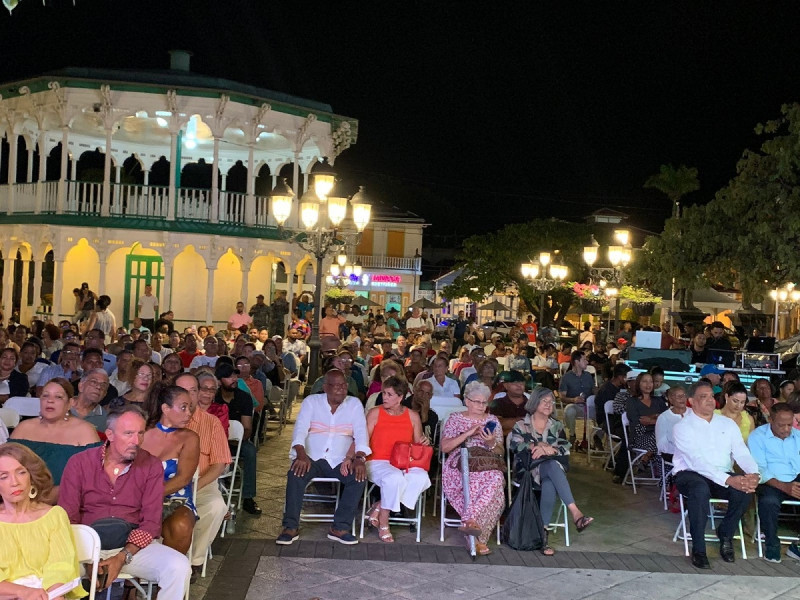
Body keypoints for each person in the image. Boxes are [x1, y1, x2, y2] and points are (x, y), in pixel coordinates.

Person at [58, 404, 191, 599]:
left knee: (178, 567)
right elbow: (67, 517)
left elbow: (151, 522)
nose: (136, 441)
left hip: (130, 547)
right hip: (83, 544)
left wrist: (122, 557)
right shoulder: (79, 462)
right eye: (128, 433)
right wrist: (88, 558)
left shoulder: (151, 465)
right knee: (47, 570)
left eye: (141, 433)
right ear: (110, 435)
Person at [672, 380, 760, 568]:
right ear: (691, 401)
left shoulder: (727, 424)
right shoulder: (683, 426)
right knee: (700, 489)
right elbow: (696, 462)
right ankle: (699, 549)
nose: (710, 400)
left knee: (745, 490)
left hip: (721, 473)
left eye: (711, 396)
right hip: (690, 473)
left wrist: (753, 473)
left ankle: (726, 533)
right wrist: (729, 479)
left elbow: (741, 451)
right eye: (703, 397)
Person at [277, 369, 368, 545]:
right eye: (336, 386)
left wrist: (358, 458)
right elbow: (300, 430)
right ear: (326, 387)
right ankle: (290, 526)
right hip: (312, 456)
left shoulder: (354, 404)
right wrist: (301, 455)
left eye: (343, 385)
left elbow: (361, 434)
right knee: (295, 474)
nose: (341, 389)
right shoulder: (312, 402)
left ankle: (339, 527)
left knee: (358, 478)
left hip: (340, 460)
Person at [510, 386, 593, 556]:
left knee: (550, 474)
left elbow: (565, 448)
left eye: (551, 401)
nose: (549, 405)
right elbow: (516, 446)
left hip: (551, 471)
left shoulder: (556, 425)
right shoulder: (521, 425)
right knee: (552, 471)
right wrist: (537, 446)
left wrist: (550, 450)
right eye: (544, 401)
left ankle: (543, 536)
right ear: (534, 403)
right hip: (528, 471)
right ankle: (576, 513)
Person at [0, 443, 88, 599]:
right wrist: (24, 592)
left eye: (21, 472)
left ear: (32, 476)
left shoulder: (54, 516)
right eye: (4, 476)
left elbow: (61, 564)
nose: (14, 482)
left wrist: (54, 594)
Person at [174, 373, 230, 580]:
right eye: (182, 391)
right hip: (166, 483)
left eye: (193, 391)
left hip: (202, 482)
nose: (187, 396)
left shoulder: (211, 423)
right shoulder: (160, 420)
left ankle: (194, 560)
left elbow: (219, 464)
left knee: (216, 507)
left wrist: (194, 487)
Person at [441, 381, 504, 556]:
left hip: (487, 462)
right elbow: (445, 448)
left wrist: (491, 443)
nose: (481, 406)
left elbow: (501, 451)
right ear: (467, 401)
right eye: (477, 402)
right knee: (475, 479)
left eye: (485, 402)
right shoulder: (455, 418)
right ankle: (477, 539)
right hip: (460, 463)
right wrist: (468, 433)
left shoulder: (493, 421)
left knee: (497, 478)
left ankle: (471, 525)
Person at [365, 376, 430, 543]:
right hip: (377, 461)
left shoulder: (412, 416)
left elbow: (417, 444)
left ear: (400, 397)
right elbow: (363, 440)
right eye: (383, 393)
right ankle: (384, 521)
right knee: (394, 478)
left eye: (389, 394)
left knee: (421, 478)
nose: (384, 397)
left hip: (403, 461)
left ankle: (379, 506)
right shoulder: (375, 413)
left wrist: (424, 441)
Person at [11, 379, 101, 496]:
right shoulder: (23, 428)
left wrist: (54, 495)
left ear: (70, 403)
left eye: (58, 397)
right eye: (45, 396)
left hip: (68, 498)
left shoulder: (85, 431)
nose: (50, 400)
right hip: (20, 497)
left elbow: (93, 476)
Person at [141, 384, 200, 555]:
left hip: (175, 499)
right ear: (165, 409)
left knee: (181, 524)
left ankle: (168, 576)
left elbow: (183, 478)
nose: (189, 413)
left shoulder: (189, 438)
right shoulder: (142, 433)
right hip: (137, 497)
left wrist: (150, 496)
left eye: (190, 407)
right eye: (183, 407)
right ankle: (132, 575)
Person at [748, 402, 800, 563]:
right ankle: (772, 545)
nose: (786, 429)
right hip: (770, 481)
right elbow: (760, 469)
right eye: (781, 425)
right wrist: (785, 486)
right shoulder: (757, 437)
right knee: (768, 502)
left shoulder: (797, 436)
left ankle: (797, 547)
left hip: (796, 477)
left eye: (789, 425)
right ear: (770, 419)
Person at [213, 362, 261, 515]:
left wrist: (236, 441)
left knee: (250, 451)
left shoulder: (244, 397)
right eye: (228, 376)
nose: (233, 379)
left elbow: (247, 428)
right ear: (220, 380)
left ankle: (248, 497)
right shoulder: (213, 398)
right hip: (213, 441)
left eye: (235, 375)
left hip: (235, 441)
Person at [625, 371, 667, 462]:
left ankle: (648, 456)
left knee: (669, 437)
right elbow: (638, 423)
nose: (648, 384)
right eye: (644, 381)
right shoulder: (632, 401)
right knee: (661, 439)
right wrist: (656, 417)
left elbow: (667, 418)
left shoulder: (659, 400)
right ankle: (648, 458)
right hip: (640, 437)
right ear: (638, 384)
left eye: (651, 381)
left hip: (659, 435)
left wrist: (651, 420)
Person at [559, 351, 597, 446]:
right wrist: (573, 400)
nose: (587, 362)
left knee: (605, 414)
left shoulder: (588, 376)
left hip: (589, 406)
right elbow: (562, 397)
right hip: (576, 406)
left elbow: (594, 390)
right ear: (576, 362)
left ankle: (598, 437)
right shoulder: (566, 377)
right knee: (569, 409)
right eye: (584, 359)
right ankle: (572, 435)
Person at [489, 370, 529, 436]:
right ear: (506, 385)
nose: (519, 385)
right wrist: (525, 421)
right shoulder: (497, 403)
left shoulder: (532, 403)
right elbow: (497, 425)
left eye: (522, 383)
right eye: (514, 383)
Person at [655, 386, 691, 460]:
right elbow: (661, 444)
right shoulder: (664, 417)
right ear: (671, 400)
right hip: (673, 453)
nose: (682, 398)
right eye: (678, 396)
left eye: (684, 395)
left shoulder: (693, 413)